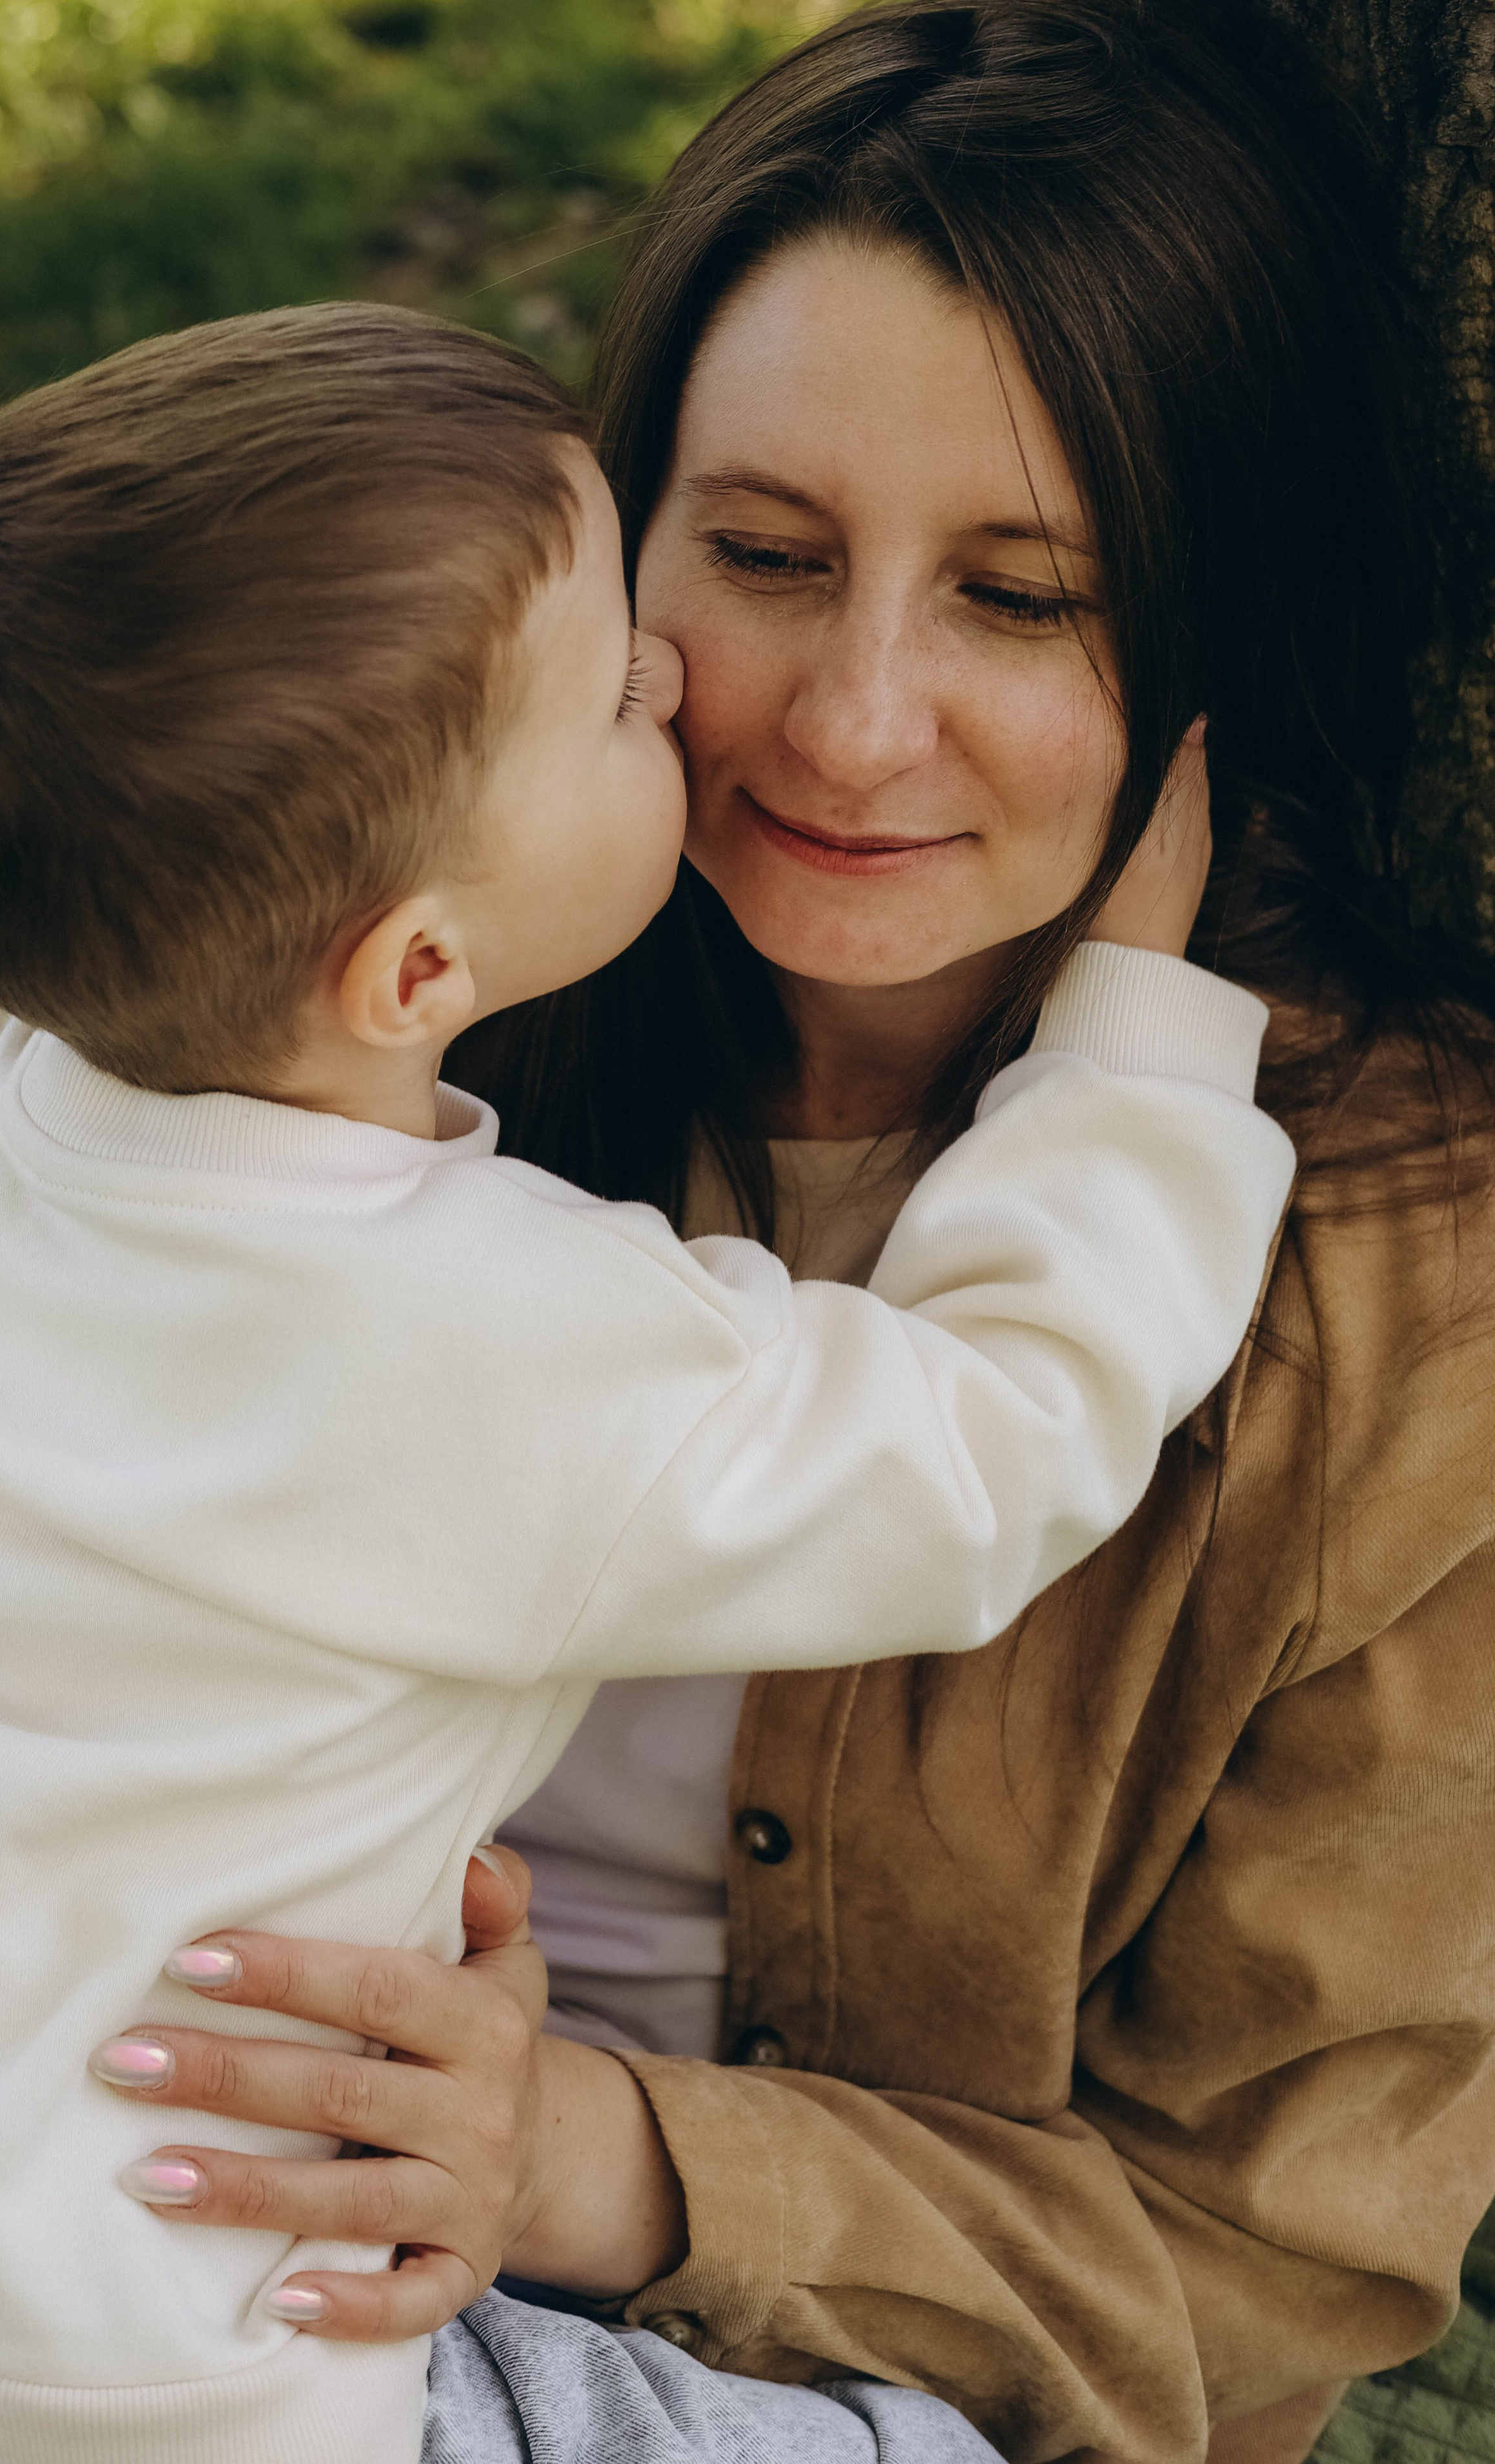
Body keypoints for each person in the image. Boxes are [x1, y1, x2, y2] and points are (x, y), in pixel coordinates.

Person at [76, 6, 1495, 2464]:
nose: (849, 724)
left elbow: (1270, 2252)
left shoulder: (1413, 1281)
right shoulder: (351, 983)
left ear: (1212, 645)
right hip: (162, 2207)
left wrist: (584, 2154)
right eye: (764, 553)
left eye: (1023, 599)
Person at [0, 300, 1290, 2464]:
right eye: (620, 686)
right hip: (212, 2357)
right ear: (418, 967)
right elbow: (998, 1435)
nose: (681, 682)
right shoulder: (492, 1345)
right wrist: (1141, 1029)